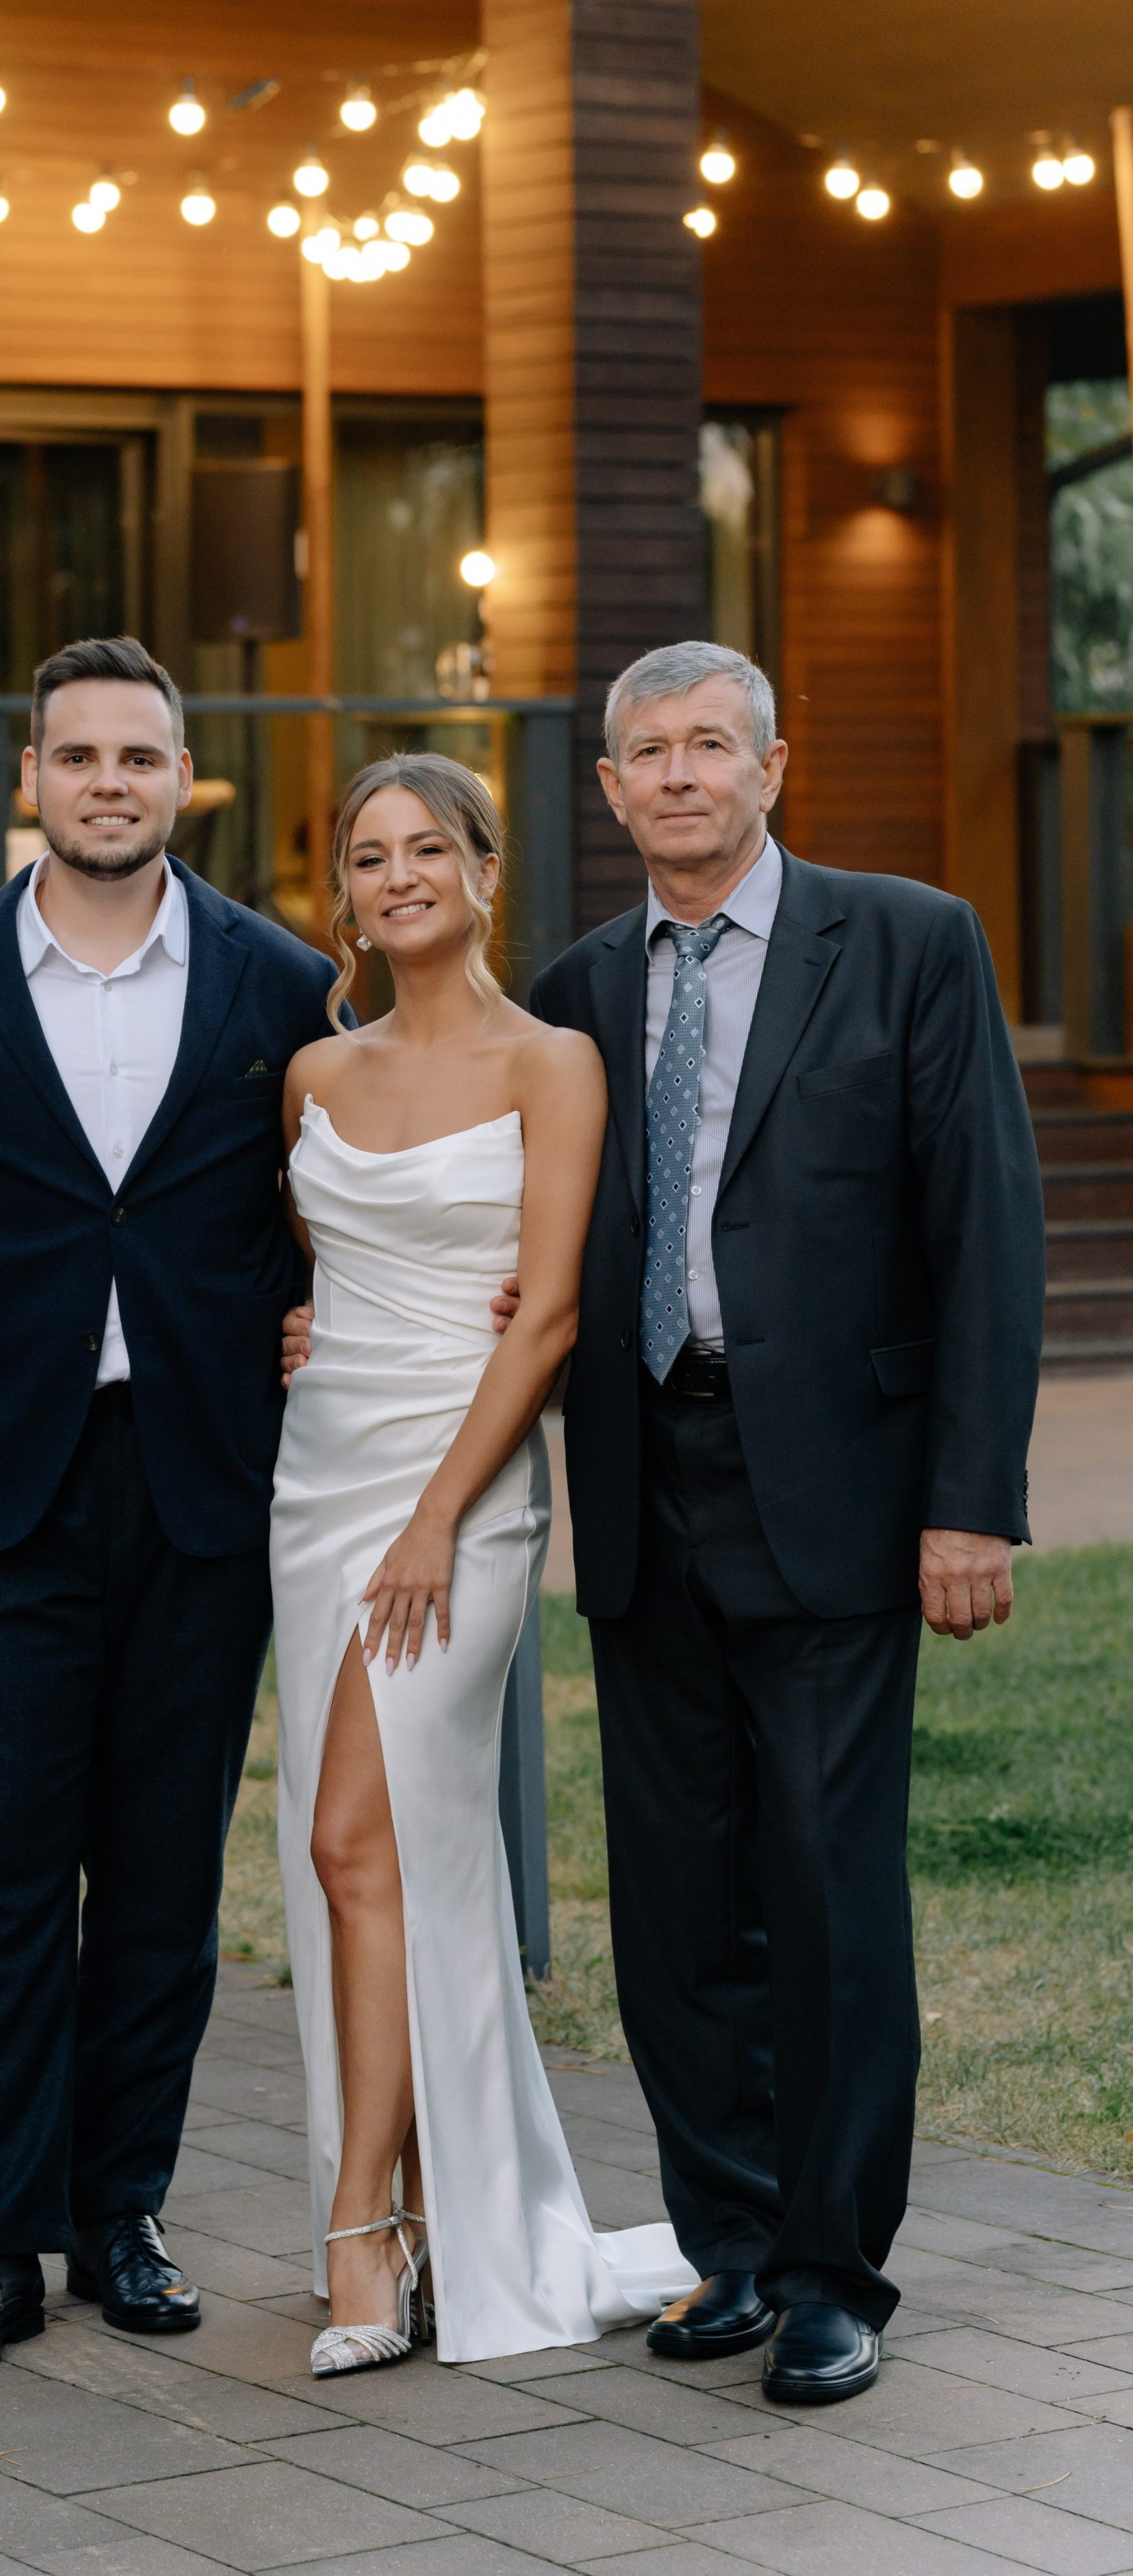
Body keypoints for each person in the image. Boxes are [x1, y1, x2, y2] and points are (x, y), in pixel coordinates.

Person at [527, 640, 1046, 2403]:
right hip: (642, 1483)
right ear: (608, 789)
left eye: (709, 746)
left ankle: (835, 2269)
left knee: (826, 1890)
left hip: (839, 1487)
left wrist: (971, 1500)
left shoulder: (908, 941)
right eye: (646, 753)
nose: (678, 776)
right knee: (676, 1900)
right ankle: (730, 2242)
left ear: (772, 766)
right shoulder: (575, 990)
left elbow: (988, 1228)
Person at [0, 635, 339, 2381]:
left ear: (185, 778)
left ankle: (120, 2210)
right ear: (30, 781)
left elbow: (325, 1199)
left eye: (142, 758)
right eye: (78, 758)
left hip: (200, 1485)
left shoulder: (284, 986)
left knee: (158, 1880)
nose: (109, 785)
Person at [273, 751, 695, 2374]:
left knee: (349, 1828)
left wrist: (440, 1510)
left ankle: (361, 2224)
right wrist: (311, 1340)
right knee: (370, 1859)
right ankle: (424, 2211)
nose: (396, 877)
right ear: (351, 895)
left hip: (461, 1492)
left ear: (481, 871)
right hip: (315, 1490)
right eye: (367, 854)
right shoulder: (311, 1074)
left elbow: (548, 1312)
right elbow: (324, 1279)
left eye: (423, 847)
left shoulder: (554, 1063)